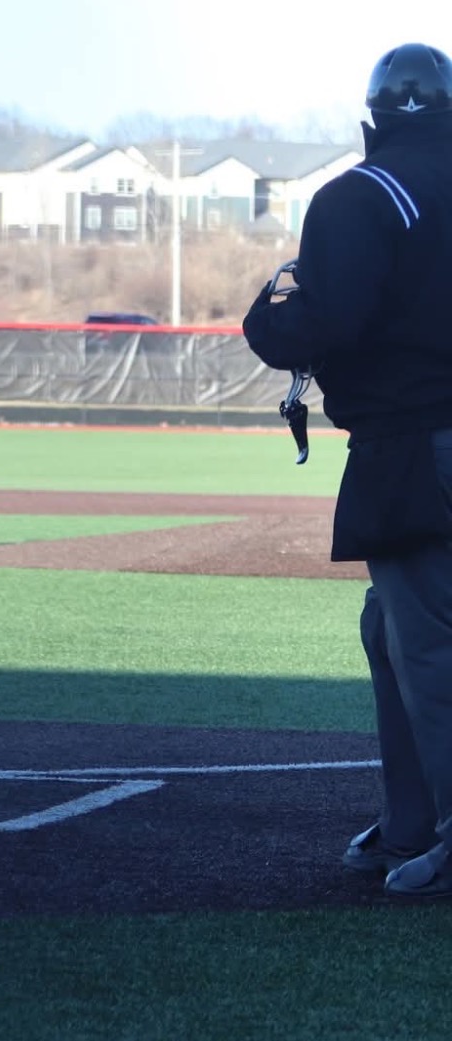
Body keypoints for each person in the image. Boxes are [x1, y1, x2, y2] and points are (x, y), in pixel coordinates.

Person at [243, 42, 452, 900]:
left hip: (415, 445)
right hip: (423, 436)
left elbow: (322, 326)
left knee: (428, 641)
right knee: (388, 629)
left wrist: (268, 320)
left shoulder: (363, 194)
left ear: (374, 114)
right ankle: (411, 822)